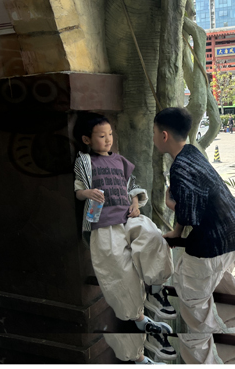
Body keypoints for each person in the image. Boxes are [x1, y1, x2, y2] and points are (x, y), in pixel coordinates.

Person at [153, 107, 235, 365]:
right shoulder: (193, 153)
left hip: (213, 241)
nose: (153, 138)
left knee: (193, 305)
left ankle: (206, 358)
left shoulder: (179, 167)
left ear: (164, 135)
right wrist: (177, 231)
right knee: (216, 277)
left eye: (154, 133)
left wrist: (171, 205)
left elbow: (190, 213)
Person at [73, 114, 176, 364]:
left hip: (128, 218)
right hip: (104, 224)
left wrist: (135, 204)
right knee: (119, 274)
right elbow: (78, 190)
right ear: (87, 139)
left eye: (110, 134)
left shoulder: (119, 160)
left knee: (152, 236)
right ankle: (138, 320)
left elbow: (131, 187)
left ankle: (156, 288)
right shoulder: (86, 162)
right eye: (101, 136)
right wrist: (87, 193)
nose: (108, 139)